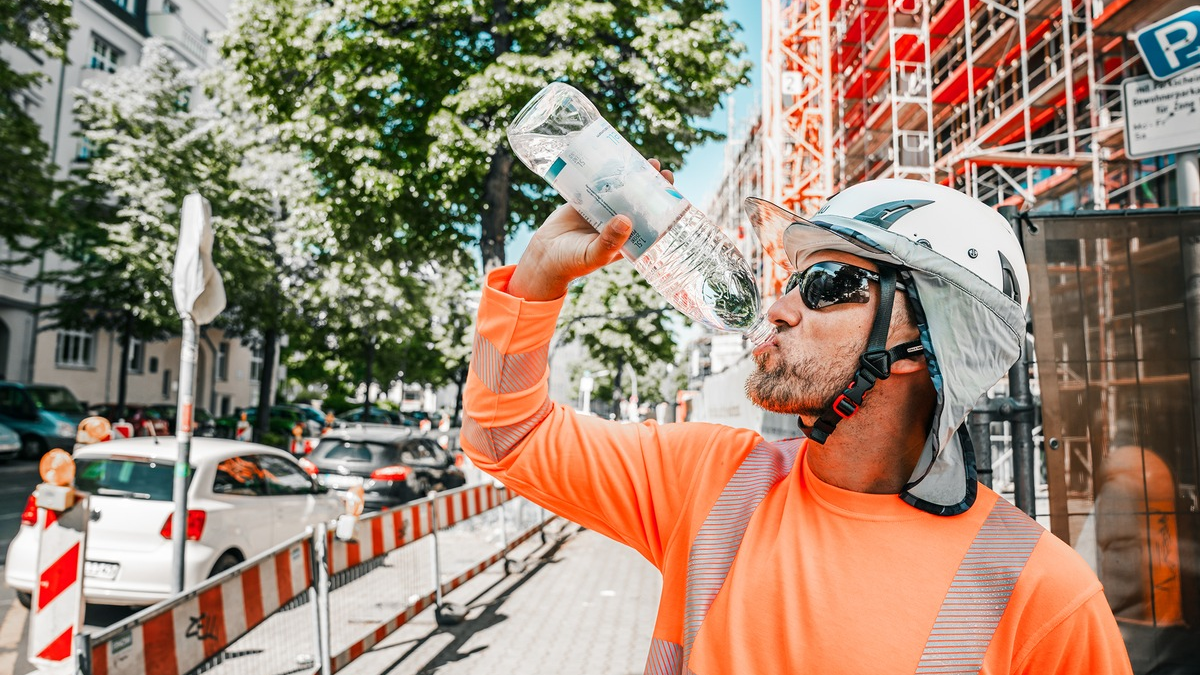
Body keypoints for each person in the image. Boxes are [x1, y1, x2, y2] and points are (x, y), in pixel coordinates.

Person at [461, 165, 1132, 673]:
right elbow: (505, 438)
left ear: (924, 343)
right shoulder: (713, 481)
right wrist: (535, 286)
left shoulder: (1044, 593)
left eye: (827, 284)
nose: (779, 308)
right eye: (792, 281)